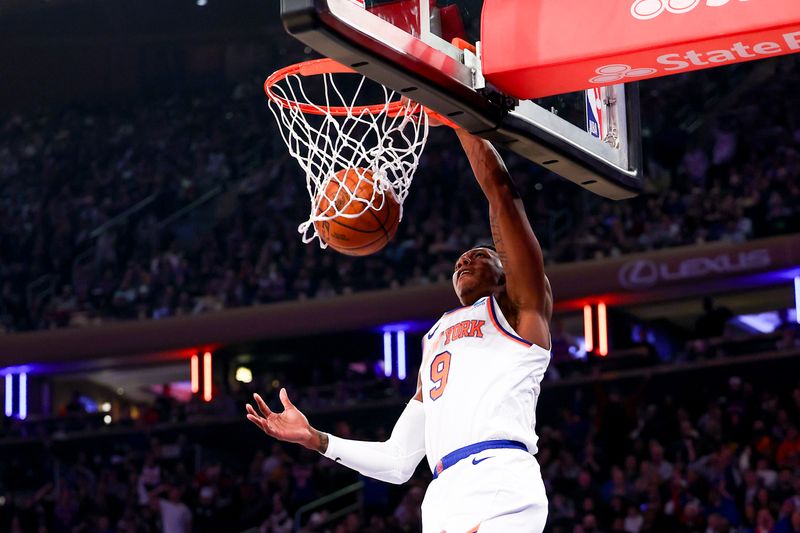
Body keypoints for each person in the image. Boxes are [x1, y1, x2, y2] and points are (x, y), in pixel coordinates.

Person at [246, 126, 553, 532]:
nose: (464, 258)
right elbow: (397, 461)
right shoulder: (436, 339)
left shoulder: (520, 312)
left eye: (481, 254)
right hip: (443, 493)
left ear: (506, 274)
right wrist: (315, 439)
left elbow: (502, 196)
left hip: (499, 475)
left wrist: (456, 114)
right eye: (461, 258)